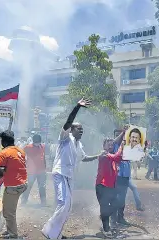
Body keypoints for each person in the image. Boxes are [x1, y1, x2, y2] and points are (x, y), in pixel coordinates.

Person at [41, 98, 101, 239]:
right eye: (79, 129)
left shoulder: (79, 144)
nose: (81, 131)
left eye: (82, 129)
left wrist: (99, 155)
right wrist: (77, 107)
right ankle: (48, 232)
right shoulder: (65, 139)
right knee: (63, 203)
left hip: (69, 176)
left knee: (67, 207)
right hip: (60, 173)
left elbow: (84, 158)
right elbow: (68, 122)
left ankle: (57, 233)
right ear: (71, 130)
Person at [0, 130, 28, 239]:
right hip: (23, 184)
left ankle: (13, 235)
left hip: (13, 186)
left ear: (5, 142)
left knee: (8, 212)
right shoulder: (20, 151)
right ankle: (9, 230)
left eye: (2, 140)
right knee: (8, 208)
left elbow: (0, 171)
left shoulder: (4, 153)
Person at [82, 138, 124, 232]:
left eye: (112, 145)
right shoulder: (103, 154)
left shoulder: (111, 156)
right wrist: (122, 145)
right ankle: (106, 230)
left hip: (110, 187)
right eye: (108, 145)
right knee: (104, 207)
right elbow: (117, 157)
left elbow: (120, 157)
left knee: (117, 203)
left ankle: (104, 217)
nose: (110, 146)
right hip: (102, 186)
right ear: (103, 146)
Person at [112, 128, 144, 226]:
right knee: (116, 198)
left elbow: (136, 157)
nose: (121, 136)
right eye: (119, 134)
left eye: (122, 135)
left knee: (122, 199)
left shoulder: (128, 147)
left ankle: (120, 218)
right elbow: (115, 141)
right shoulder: (114, 146)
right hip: (117, 176)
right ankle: (112, 219)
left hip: (125, 176)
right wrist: (122, 133)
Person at [21, 134, 47, 206]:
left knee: (42, 186)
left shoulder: (42, 147)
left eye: (39, 142)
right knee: (28, 186)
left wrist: (45, 168)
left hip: (41, 171)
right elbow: (21, 155)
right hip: (31, 171)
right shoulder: (28, 147)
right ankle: (23, 201)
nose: (37, 144)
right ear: (33, 141)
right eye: (36, 142)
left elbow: (43, 157)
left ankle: (43, 202)